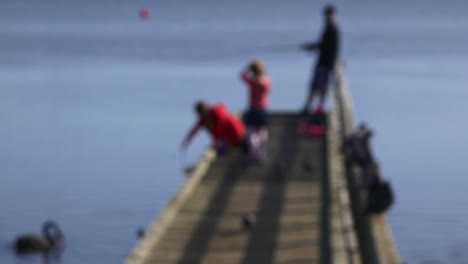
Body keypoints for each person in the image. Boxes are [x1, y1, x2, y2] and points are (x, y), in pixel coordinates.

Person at [301, 4, 340, 114]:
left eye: (328, 14)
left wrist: (311, 47)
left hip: (326, 63)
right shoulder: (329, 27)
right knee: (315, 86)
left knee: (320, 86)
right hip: (323, 62)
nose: (327, 16)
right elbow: (323, 45)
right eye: (326, 14)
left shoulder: (332, 28)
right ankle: (310, 107)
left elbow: (326, 46)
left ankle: (317, 107)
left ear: (332, 15)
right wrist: (311, 47)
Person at [181, 100, 247, 155]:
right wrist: (186, 142)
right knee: (220, 150)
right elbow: (194, 130)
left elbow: (220, 126)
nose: (202, 116)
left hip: (236, 134)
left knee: (243, 146)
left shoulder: (217, 112)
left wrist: (215, 141)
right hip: (228, 138)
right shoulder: (204, 120)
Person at [240, 59, 272, 160]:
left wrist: (247, 68)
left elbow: (242, 75)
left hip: (253, 108)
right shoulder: (267, 81)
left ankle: (254, 150)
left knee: (251, 131)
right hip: (263, 109)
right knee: (262, 130)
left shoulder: (253, 82)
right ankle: (262, 151)